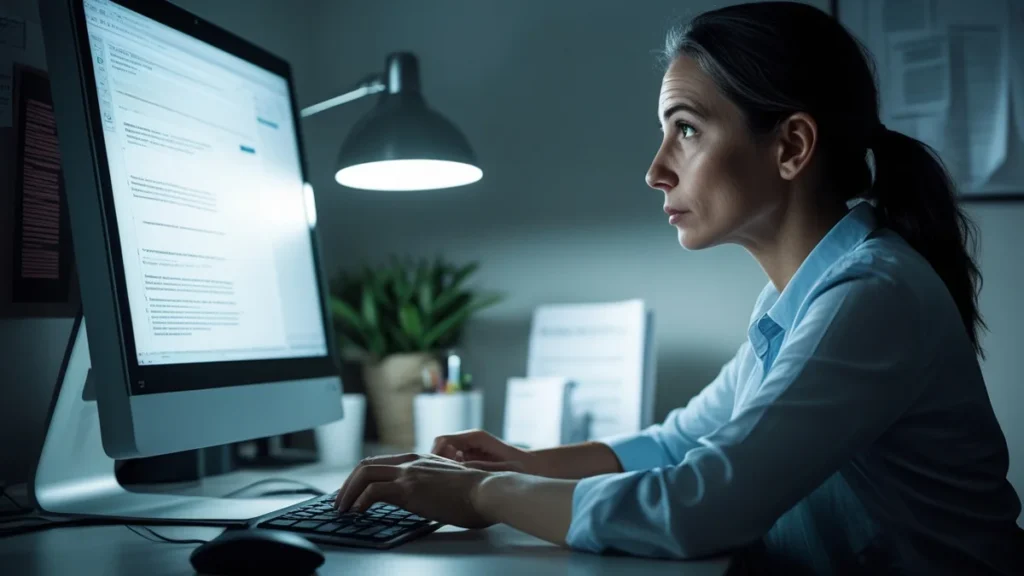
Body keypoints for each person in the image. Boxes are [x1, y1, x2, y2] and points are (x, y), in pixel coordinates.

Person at [333, 2, 1024, 573]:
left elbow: (698, 506)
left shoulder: (872, 296)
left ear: (791, 147)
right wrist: (522, 462)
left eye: (685, 130)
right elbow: (677, 445)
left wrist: (487, 492)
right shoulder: (801, 299)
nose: (656, 170)